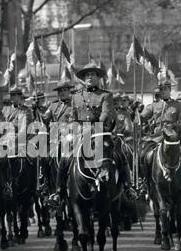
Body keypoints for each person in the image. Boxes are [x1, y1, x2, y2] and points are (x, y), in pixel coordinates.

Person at [50, 63, 136, 203]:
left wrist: (94, 128)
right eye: (86, 75)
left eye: (92, 75)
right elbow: (73, 117)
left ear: (98, 78)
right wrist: (76, 129)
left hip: (101, 133)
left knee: (120, 155)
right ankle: (59, 192)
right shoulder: (76, 97)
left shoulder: (105, 95)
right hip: (81, 135)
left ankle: (128, 187)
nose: (89, 77)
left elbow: (106, 113)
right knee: (65, 157)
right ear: (84, 79)